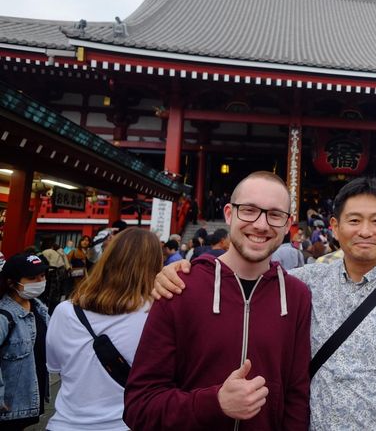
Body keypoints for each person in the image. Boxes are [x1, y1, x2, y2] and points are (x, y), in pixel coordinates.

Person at [154, 177, 376, 430]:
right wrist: (184, 270)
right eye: (354, 220)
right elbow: (248, 275)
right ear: (334, 227)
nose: (364, 231)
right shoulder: (301, 284)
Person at [124, 171, 312, 430]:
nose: (261, 224)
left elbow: (296, 397)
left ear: (288, 223)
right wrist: (214, 403)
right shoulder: (180, 287)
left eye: (275, 215)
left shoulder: (297, 296)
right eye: (248, 210)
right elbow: (139, 406)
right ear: (228, 213)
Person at [45, 228, 163, 431]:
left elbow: (55, 366)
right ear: (155, 265)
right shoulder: (155, 315)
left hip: (65, 423)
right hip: (124, 424)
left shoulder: (65, 311)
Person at [0, 253, 50, 430]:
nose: (39, 281)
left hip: (30, 399)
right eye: (31, 277)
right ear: (11, 282)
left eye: (42, 276)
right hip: (8, 406)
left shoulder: (40, 308)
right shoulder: (4, 315)